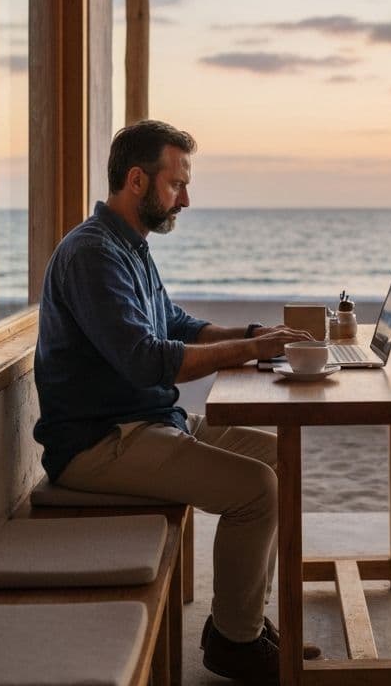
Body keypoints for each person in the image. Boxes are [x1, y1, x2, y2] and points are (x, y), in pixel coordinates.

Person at [33, 119, 316, 685]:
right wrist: (253, 348)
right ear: (137, 181)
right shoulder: (92, 254)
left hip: (149, 423)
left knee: (281, 458)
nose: (186, 198)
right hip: (99, 444)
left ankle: (241, 625)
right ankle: (237, 645)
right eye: (176, 183)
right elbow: (145, 357)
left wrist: (260, 335)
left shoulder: (127, 245)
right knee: (255, 490)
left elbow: (177, 324)